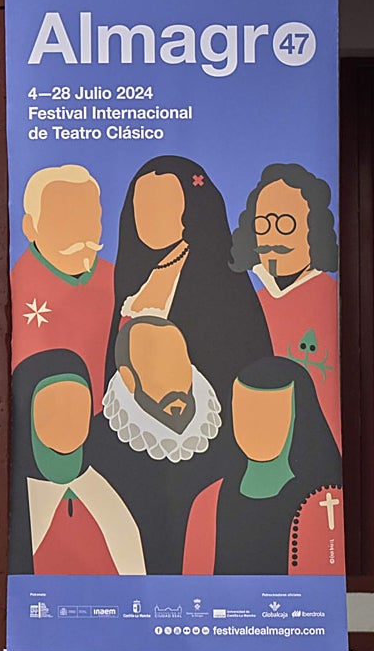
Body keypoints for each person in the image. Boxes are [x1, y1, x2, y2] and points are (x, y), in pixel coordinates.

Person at [108, 155, 271, 405]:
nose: (149, 216)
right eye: (141, 204)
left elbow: (232, 365)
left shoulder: (218, 284)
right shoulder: (134, 279)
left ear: (190, 209)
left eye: (163, 203)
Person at [89, 316, 230, 574]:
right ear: (128, 379)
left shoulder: (226, 434)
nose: (175, 382)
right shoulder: (95, 445)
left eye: (179, 364)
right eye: (158, 367)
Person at [183, 356, 344, 575]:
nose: (254, 426)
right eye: (245, 410)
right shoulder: (208, 503)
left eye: (270, 413)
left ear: (298, 415)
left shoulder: (324, 504)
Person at [229, 163, 341, 452]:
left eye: (285, 224)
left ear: (314, 229)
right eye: (262, 224)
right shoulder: (251, 303)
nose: (272, 238)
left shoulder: (332, 298)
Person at [9, 349, 144, 576]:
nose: (68, 420)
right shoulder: (19, 495)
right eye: (52, 408)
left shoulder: (109, 488)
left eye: (77, 404)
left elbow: (135, 569)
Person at [11, 164, 115, 408]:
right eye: (64, 218)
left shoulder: (119, 280)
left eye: (90, 217)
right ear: (30, 227)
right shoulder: (14, 289)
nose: (80, 230)